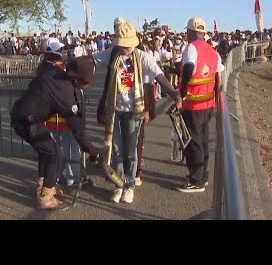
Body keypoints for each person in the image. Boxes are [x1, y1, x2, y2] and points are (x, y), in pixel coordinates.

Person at [93, 17, 182, 204]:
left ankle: (130, 185)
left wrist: (175, 95)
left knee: (131, 151)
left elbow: (159, 76)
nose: (126, 49)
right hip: (115, 110)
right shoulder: (111, 54)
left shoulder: (142, 56)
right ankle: (119, 184)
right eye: (123, 45)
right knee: (117, 149)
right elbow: (91, 61)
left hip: (135, 111)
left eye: (128, 45)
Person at [11, 55, 100, 210]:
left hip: (21, 113)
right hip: (28, 121)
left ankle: (43, 185)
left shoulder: (53, 73)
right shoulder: (66, 95)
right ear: (77, 79)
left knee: (46, 151)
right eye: (86, 82)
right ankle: (46, 196)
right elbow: (78, 130)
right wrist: (92, 152)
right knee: (54, 154)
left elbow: (42, 69)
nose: (87, 85)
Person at [177, 18, 224, 193]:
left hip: (193, 102)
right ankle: (202, 175)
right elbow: (219, 75)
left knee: (193, 141)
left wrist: (180, 94)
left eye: (187, 32)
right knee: (203, 140)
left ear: (190, 32)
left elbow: (189, 68)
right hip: (208, 103)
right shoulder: (213, 51)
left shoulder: (191, 47)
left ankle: (196, 180)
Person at [40, 37, 82, 188]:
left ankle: (59, 177)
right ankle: (70, 177)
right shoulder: (60, 70)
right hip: (63, 116)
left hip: (53, 116)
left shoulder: (43, 70)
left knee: (58, 147)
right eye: (59, 50)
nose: (62, 52)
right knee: (68, 147)